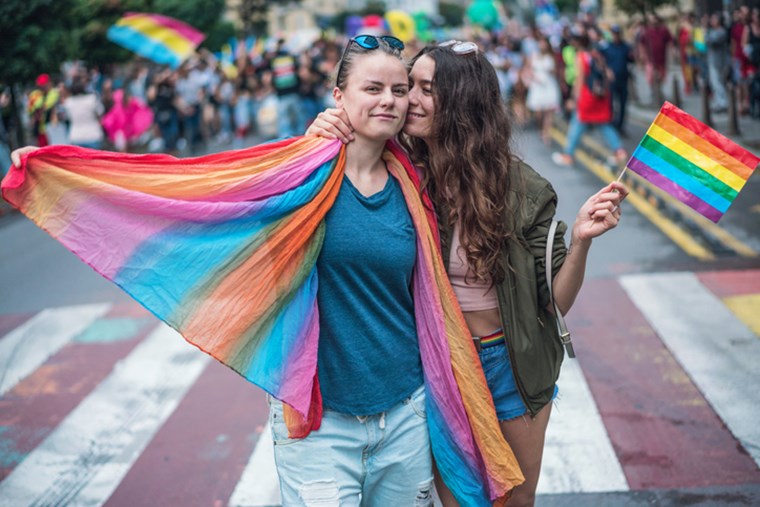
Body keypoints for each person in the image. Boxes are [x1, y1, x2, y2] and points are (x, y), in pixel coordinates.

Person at [6, 35, 524, 507]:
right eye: (373, 88)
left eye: (399, 88)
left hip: (406, 415)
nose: (390, 99)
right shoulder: (300, 173)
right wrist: (63, 172)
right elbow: (193, 192)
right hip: (322, 427)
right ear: (338, 96)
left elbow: (475, 165)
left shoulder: (416, 178)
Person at [307, 39, 628, 507]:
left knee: (515, 500)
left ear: (461, 102)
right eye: (407, 85)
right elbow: (350, 141)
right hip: (439, 363)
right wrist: (323, 126)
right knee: (457, 497)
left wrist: (580, 241)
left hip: (511, 363)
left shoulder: (524, 189)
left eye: (424, 89)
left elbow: (553, 303)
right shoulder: (401, 172)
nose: (406, 99)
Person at [552, 34, 627, 168]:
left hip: (587, 97)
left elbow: (579, 80)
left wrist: (574, 99)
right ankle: (619, 151)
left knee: (577, 124)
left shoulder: (580, 57)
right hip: (601, 97)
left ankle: (568, 154)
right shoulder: (596, 56)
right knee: (603, 124)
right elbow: (610, 76)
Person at [524, 35, 561, 144]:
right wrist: (532, 77)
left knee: (549, 111)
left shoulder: (552, 56)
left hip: (549, 85)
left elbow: (556, 71)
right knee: (539, 112)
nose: (542, 45)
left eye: (544, 43)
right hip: (537, 85)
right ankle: (541, 129)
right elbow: (528, 69)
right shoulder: (533, 56)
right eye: (540, 43)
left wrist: (551, 71)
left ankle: (546, 134)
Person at [60, 76, 104, 149]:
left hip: (76, 137)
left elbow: (66, 118)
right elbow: (100, 112)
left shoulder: (68, 102)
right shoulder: (92, 99)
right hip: (93, 135)